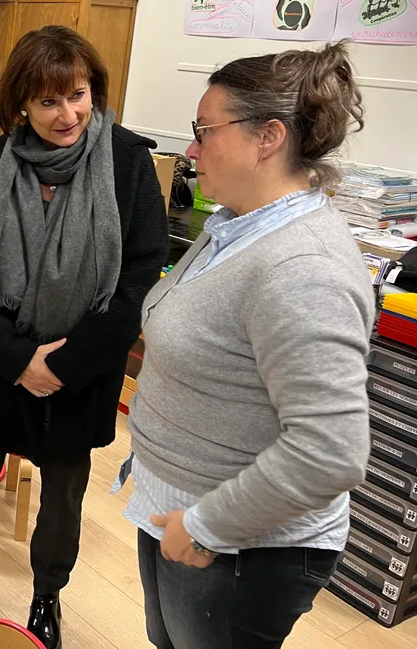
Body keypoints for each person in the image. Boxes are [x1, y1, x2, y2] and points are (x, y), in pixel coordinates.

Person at [0, 26, 169, 648]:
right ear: (21, 104)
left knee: (64, 492)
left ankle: (47, 594)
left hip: (82, 371)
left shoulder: (128, 164)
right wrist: (19, 359)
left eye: (77, 95)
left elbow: (138, 282)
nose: (67, 114)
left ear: (93, 91)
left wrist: (64, 366)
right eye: (48, 101)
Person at [124, 42, 374, 649]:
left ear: (268, 137)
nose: (190, 149)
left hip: (240, 543)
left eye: (204, 131)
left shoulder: (302, 267)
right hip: (179, 505)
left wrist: (206, 525)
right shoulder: (235, 226)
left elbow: (331, 451)